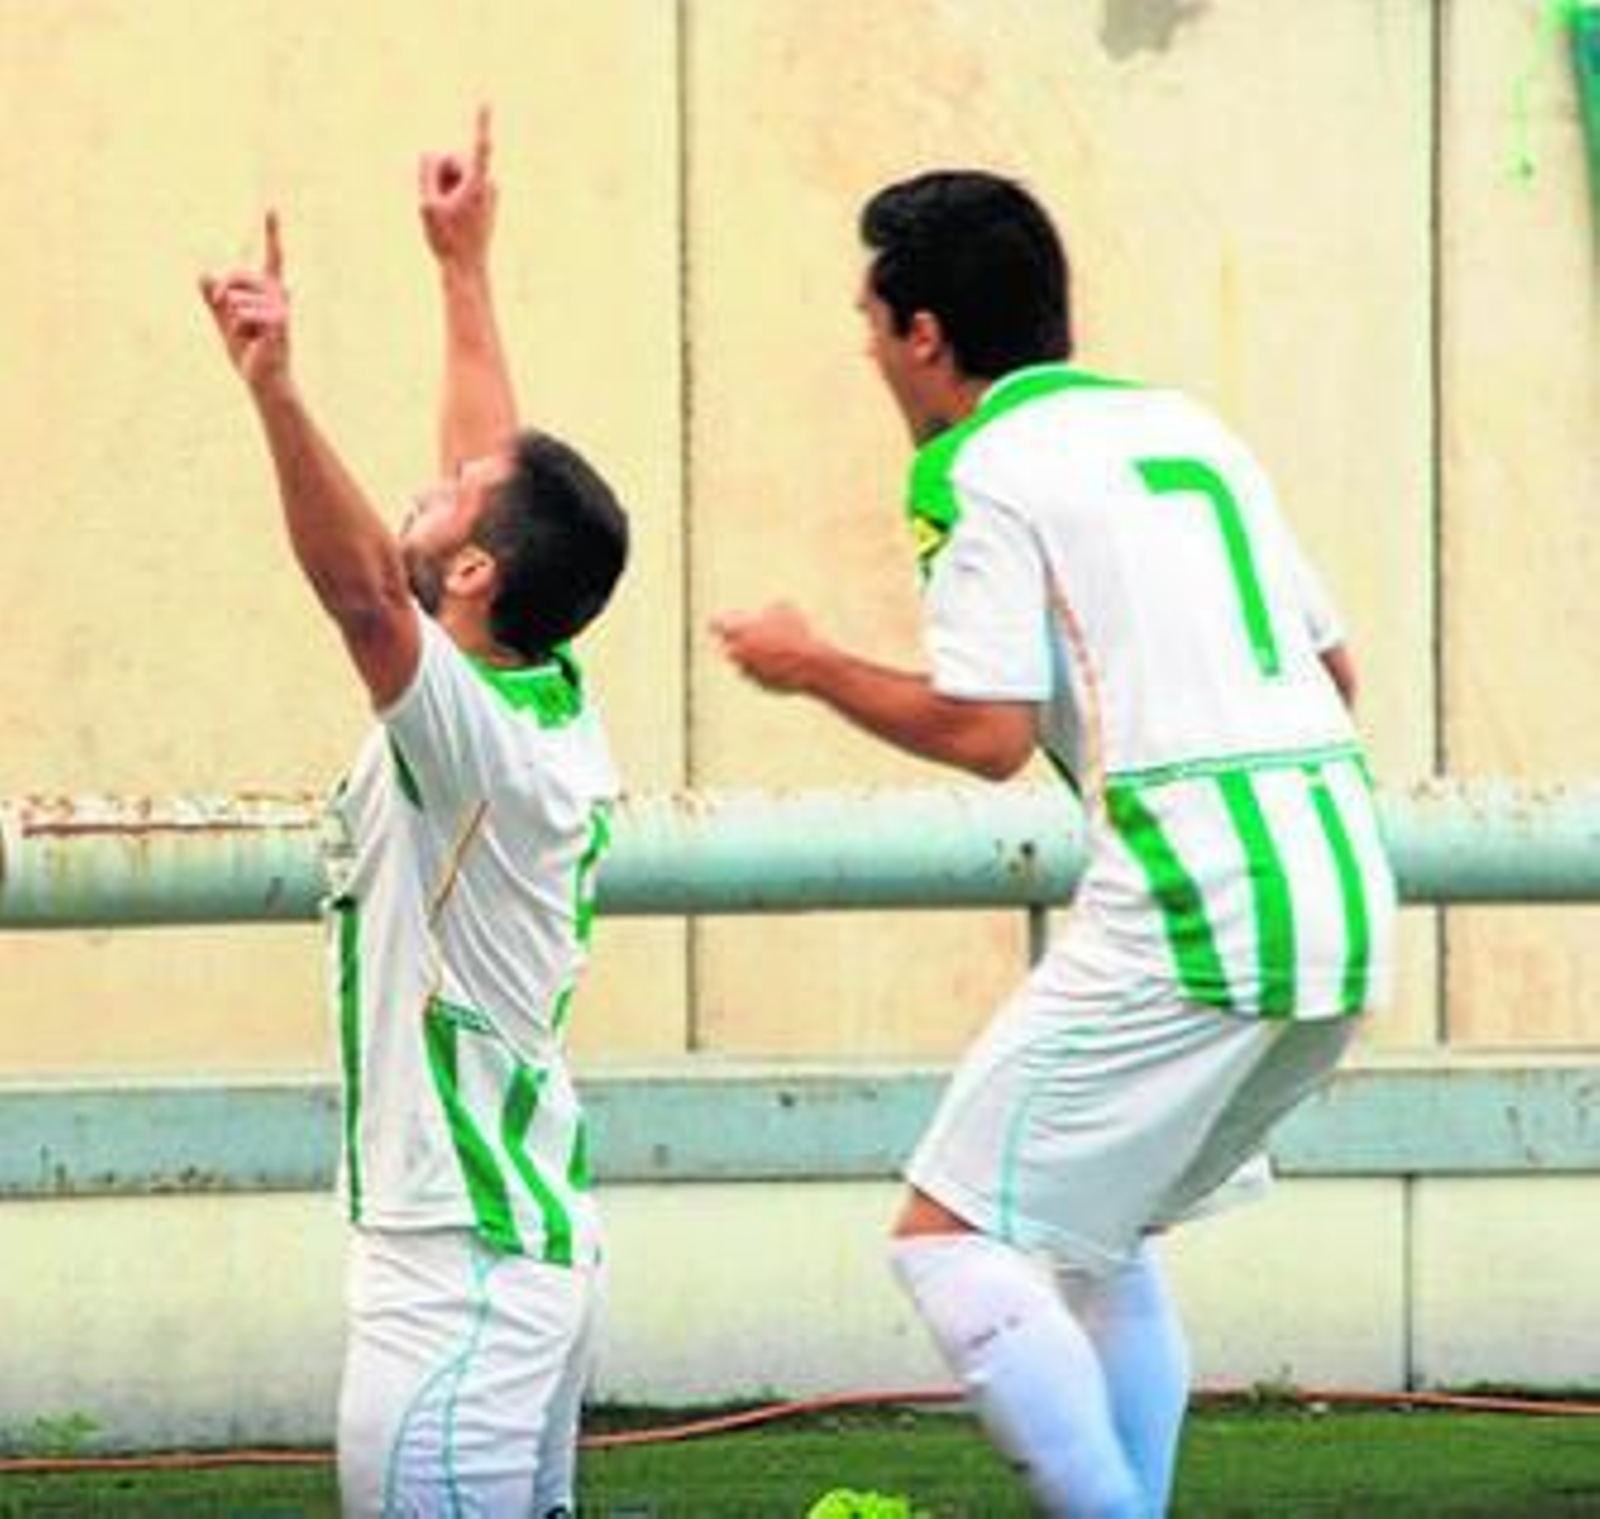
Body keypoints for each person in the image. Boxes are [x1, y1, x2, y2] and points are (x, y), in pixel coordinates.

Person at [714, 170, 1394, 1517]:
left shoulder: (970, 467)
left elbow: (984, 731)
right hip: (1348, 887)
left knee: (946, 1241)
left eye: (870, 324)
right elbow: (1339, 672)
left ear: (923, 334)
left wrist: (810, 664)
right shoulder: (1186, 425)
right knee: (1098, 1236)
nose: (869, 355)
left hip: (1197, 897)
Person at [200, 108, 628, 1518]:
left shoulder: (473, 740)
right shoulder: (537, 689)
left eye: (450, 499)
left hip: (455, 1271)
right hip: (519, 1241)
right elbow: (488, 483)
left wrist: (274, 390)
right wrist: (460, 269)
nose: (428, 486)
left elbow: (364, 595)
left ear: (479, 576)